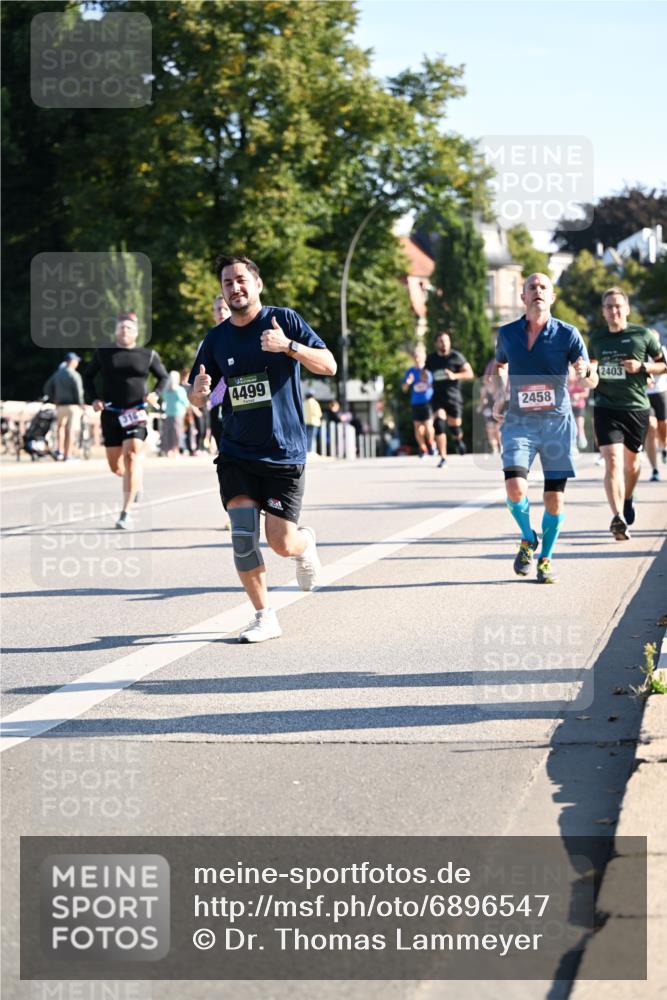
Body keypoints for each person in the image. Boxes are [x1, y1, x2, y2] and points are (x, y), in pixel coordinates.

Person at [188, 254, 337, 643]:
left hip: (283, 451)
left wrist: (288, 347)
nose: (234, 288)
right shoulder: (216, 339)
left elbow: (329, 365)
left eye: (240, 280)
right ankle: (263, 615)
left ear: (257, 284)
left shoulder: (284, 321)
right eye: (226, 283)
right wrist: (198, 394)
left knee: (280, 542)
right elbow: (199, 392)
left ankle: (305, 545)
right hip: (236, 450)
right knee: (241, 535)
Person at [494, 273, 597, 584]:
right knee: (515, 488)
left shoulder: (568, 334)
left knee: (554, 499)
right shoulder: (507, 334)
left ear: (552, 297)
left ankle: (546, 559)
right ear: (523, 297)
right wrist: (503, 391)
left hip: (556, 423)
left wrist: (586, 371)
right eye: (531, 288)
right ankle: (528, 537)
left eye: (543, 288)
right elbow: (500, 364)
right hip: (519, 422)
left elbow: (591, 381)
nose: (537, 291)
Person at [588, 289, 666, 538]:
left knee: (632, 467)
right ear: (603, 311)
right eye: (609, 306)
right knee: (612, 461)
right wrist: (589, 372)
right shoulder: (596, 338)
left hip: (635, 408)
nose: (614, 311)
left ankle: (628, 497)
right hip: (605, 407)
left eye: (618, 306)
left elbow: (663, 365)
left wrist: (642, 366)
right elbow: (591, 365)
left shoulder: (642, 335)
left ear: (627, 308)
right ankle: (618, 516)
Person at [84, 312, 168, 529]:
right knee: (116, 467)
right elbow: (88, 377)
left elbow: (164, 377)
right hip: (111, 413)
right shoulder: (104, 353)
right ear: (115, 331)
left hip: (136, 413)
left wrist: (155, 394)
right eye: (121, 327)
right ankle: (135, 482)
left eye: (129, 327)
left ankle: (125, 513)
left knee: (131, 456)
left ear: (136, 332)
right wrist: (93, 399)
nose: (125, 330)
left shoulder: (147, 354)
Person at [426, 331, 474, 467]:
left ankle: (458, 440)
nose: (444, 343)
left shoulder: (456, 357)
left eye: (446, 340)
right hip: (437, 397)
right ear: (436, 343)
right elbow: (425, 374)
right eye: (441, 341)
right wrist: (424, 378)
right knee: (439, 425)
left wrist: (454, 376)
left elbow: (469, 373)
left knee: (455, 428)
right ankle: (443, 457)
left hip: (453, 397)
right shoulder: (431, 359)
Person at [42, 352, 84, 461]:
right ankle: (68, 454)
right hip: (72, 406)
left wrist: (54, 398)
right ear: (72, 361)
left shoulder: (57, 374)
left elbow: (47, 387)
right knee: (71, 430)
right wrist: (81, 404)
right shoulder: (74, 375)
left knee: (60, 428)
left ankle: (59, 451)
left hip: (60, 406)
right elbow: (79, 392)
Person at [401, 344, 435, 458]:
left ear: (423, 358)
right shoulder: (410, 371)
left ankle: (431, 443)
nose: (416, 358)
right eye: (415, 356)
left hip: (427, 402)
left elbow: (432, 385)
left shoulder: (428, 370)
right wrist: (408, 382)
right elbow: (404, 389)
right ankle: (423, 448)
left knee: (428, 426)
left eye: (418, 356)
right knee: (418, 428)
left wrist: (427, 380)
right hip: (415, 403)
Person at [645, 340, 667, 482]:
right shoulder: (639, 351)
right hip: (645, 395)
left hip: (661, 393)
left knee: (663, 426)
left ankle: (664, 447)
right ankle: (655, 469)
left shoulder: (662, 351)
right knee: (651, 427)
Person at [161, 370, 189, 458]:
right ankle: (175, 450)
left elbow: (164, 399)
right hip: (178, 413)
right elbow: (185, 402)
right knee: (177, 433)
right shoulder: (179, 390)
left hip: (168, 413)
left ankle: (169, 450)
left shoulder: (166, 390)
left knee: (168, 432)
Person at [477, 357, 501, 455]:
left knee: (498, 429)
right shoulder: (485, 388)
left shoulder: (500, 387)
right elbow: (482, 400)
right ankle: (494, 448)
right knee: (490, 428)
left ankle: (501, 446)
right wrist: (480, 406)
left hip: (498, 410)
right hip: (488, 409)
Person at [567, 367, 591, 450]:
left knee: (579, 427)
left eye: (570, 372)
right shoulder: (565, 382)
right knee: (570, 427)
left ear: (574, 372)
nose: (568, 374)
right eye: (567, 372)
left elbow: (586, 393)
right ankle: (573, 446)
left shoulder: (580, 380)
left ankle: (582, 442)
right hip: (568, 407)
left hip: (579, 406)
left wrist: (578, 395)